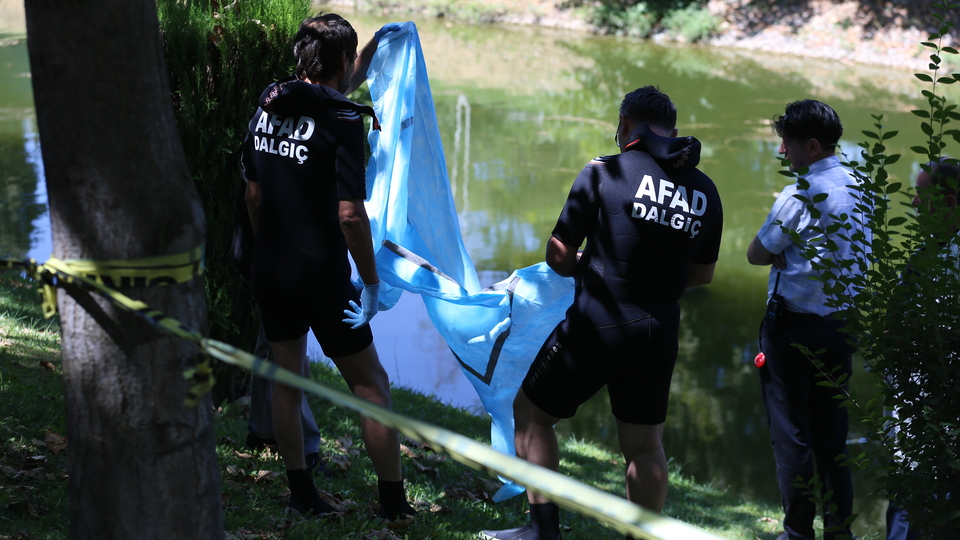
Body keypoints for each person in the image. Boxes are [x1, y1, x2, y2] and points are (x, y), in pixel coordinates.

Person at [481, 86, 724, 540]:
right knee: (645, 447)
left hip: (598, 321)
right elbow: (703, 273)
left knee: (531, 414)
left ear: (626, 125)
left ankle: (544, 530)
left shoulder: (604, 173)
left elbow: (558, 254)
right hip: (657, 332)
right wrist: (654, 285)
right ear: (673, 132)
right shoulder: (706, 192)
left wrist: (589, 269)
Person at [240, 13, 415, 520]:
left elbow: (253, 194)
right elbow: (349, 216)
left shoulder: (267, 104)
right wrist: (374, 283)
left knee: (288, 380)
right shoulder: (342, 120)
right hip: (322, 274)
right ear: (340, 60)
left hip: (271, 266)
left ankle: (301, 497)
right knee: (371, 385)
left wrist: (266, 249)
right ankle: (393, 504)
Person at [746, 99, 865, 540]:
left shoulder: (801, 193)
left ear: (812, 146)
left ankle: (797, 533)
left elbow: (756, 254)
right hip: (841, 328)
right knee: (832, 437)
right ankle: (839, 533)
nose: (782, 153)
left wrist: (785, 253)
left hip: (793, 330)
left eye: (788, 144)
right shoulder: (863, 186)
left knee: (791, 435)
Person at [885, 158, 959, 540]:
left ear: (948, 203)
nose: (913, 204)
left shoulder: (949, 263)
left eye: (921, 195)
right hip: (912, 418)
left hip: (937, 425)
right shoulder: (926, 256)